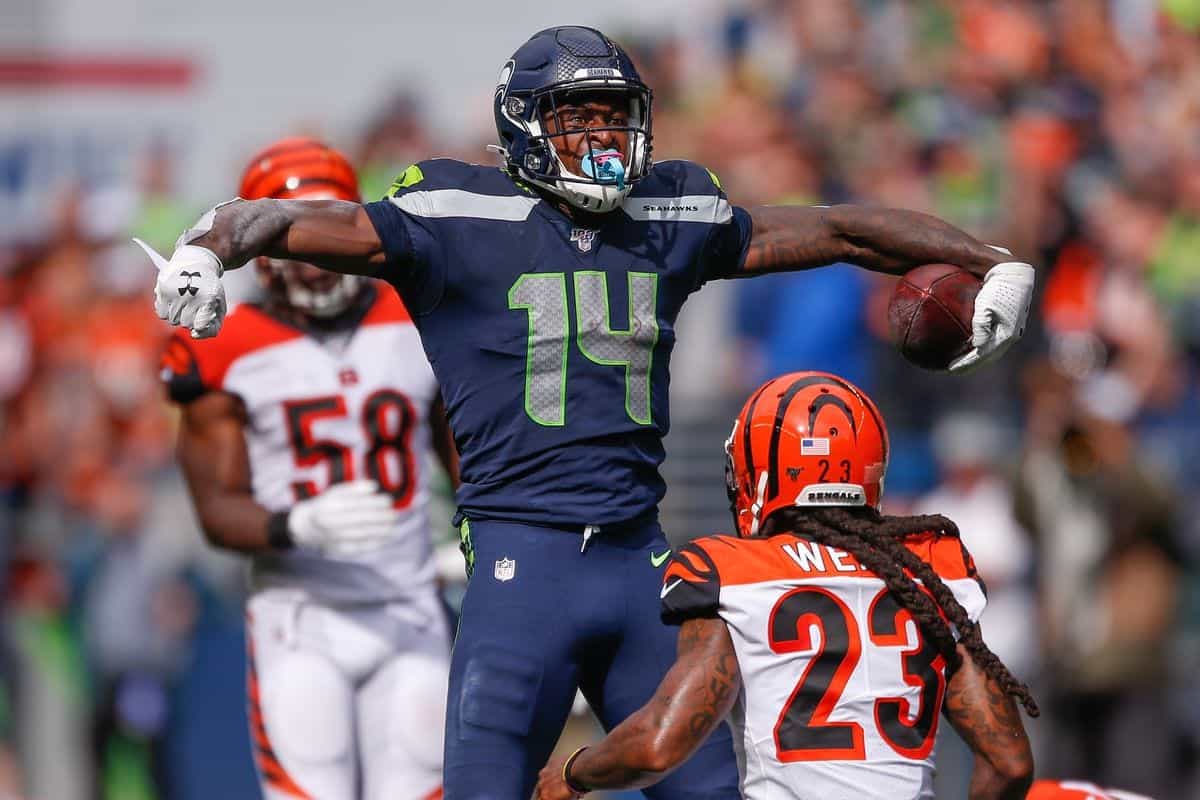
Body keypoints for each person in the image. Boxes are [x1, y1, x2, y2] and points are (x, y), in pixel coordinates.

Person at [137, 27, 1035, 799]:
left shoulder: (668, 212)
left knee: (706, 789)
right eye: (579, 117)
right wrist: (207, 251)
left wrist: (990, 258)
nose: (604, 135)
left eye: (614, 114)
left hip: (637, 560)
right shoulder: (456, 213)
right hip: (519, 567)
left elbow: (839, 229)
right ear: (523, 125)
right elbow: (282, 221)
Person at [536, 371, 1037, 800]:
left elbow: (659, 743)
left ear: (761, 474)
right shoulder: (924, 571)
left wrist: (574, 771)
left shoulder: (735, 572)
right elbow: (1010, 762)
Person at [156, 138, 457, 800]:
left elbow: (472, 462)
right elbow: (216, 511)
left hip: (410, 606)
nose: (314, 268)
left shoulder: (420, 320)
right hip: (301, 617)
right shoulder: (225, 344)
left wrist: (477, 546)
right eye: (291, 242)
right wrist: (295, 524)